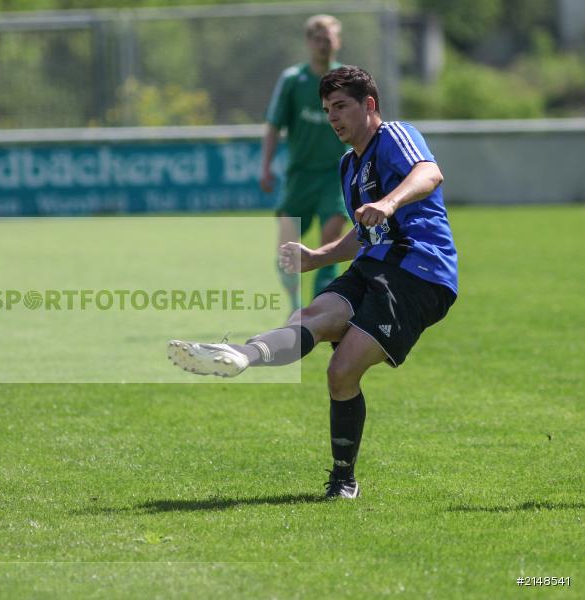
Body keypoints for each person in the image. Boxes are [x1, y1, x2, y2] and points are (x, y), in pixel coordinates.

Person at [169, 66, 458, 499]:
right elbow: (364, 234)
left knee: (342, 369)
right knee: (311, 318)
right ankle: (242, 355)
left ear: (370, 105)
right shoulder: (348, 167)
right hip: (375, 265)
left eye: (341, 107)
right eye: (327, 110)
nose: (333, 118)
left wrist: (389, 201)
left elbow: (429, 174)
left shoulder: (394, 135)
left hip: (419, 272)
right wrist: (317, 257)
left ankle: (344, 480)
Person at [261, 14, 349, 311]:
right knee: (285, 248)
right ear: (309, 43)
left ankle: (322, 307)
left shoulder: (347, 80)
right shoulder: (292, 80)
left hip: (334, 175)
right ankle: (294, 304)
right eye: (318, 39)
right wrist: (266, 167)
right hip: (299, 176)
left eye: (329, 39)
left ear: (338, 41)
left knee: (330, 240)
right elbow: (274, 126)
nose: (323, 45)